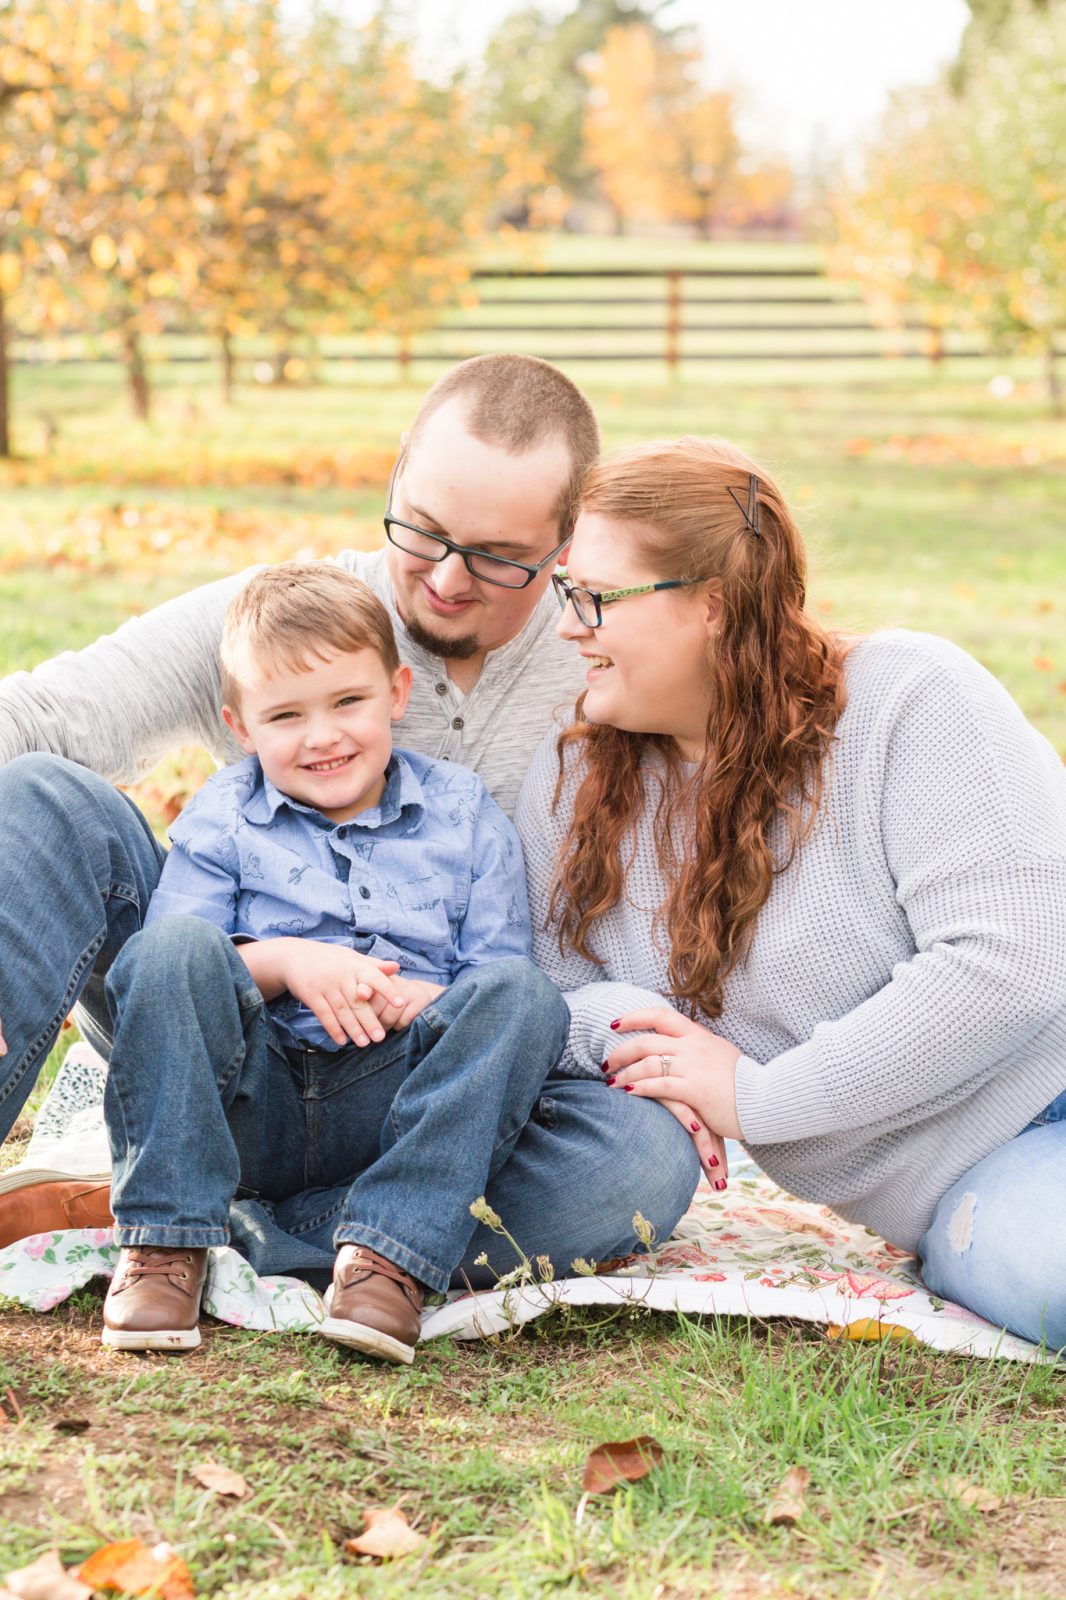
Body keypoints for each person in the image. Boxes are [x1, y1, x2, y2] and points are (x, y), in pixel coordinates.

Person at [0, 355, 699, 1275]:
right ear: (397, 475)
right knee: (45, 797)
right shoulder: (285, 614)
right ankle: (238, 1188)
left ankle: (231, 1221)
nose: (448, 578)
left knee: (641, 1159)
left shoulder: (601, 666)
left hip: (435, 1080)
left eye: (496, 557)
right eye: (424, 530)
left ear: (565, 544)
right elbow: (42, 714)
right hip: (220, 1047)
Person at [515, 435, 1066, 1350]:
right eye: (566, 590)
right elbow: (551, 990)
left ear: (716, 610)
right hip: (979, 1172)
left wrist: (760, 1100)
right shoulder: (574, 782)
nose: (566, 624)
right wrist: (642, 1033)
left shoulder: (907, 698)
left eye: (594, 599)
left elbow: (1016, 959)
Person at [99, 563, 569, 1363]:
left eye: (348, 702)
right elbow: (173, 969)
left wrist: (414, 1002)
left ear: (397, 692)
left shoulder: (463, 813)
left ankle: (386, 1252)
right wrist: (287, 962)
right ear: (240, 727)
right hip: (256, 1096)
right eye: (285, 715)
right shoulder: (225, 811)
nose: (323, 736)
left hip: (394, 1110)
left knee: (528, 998)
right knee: (170, 948)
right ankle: (167, 1239)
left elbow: (494, 983)